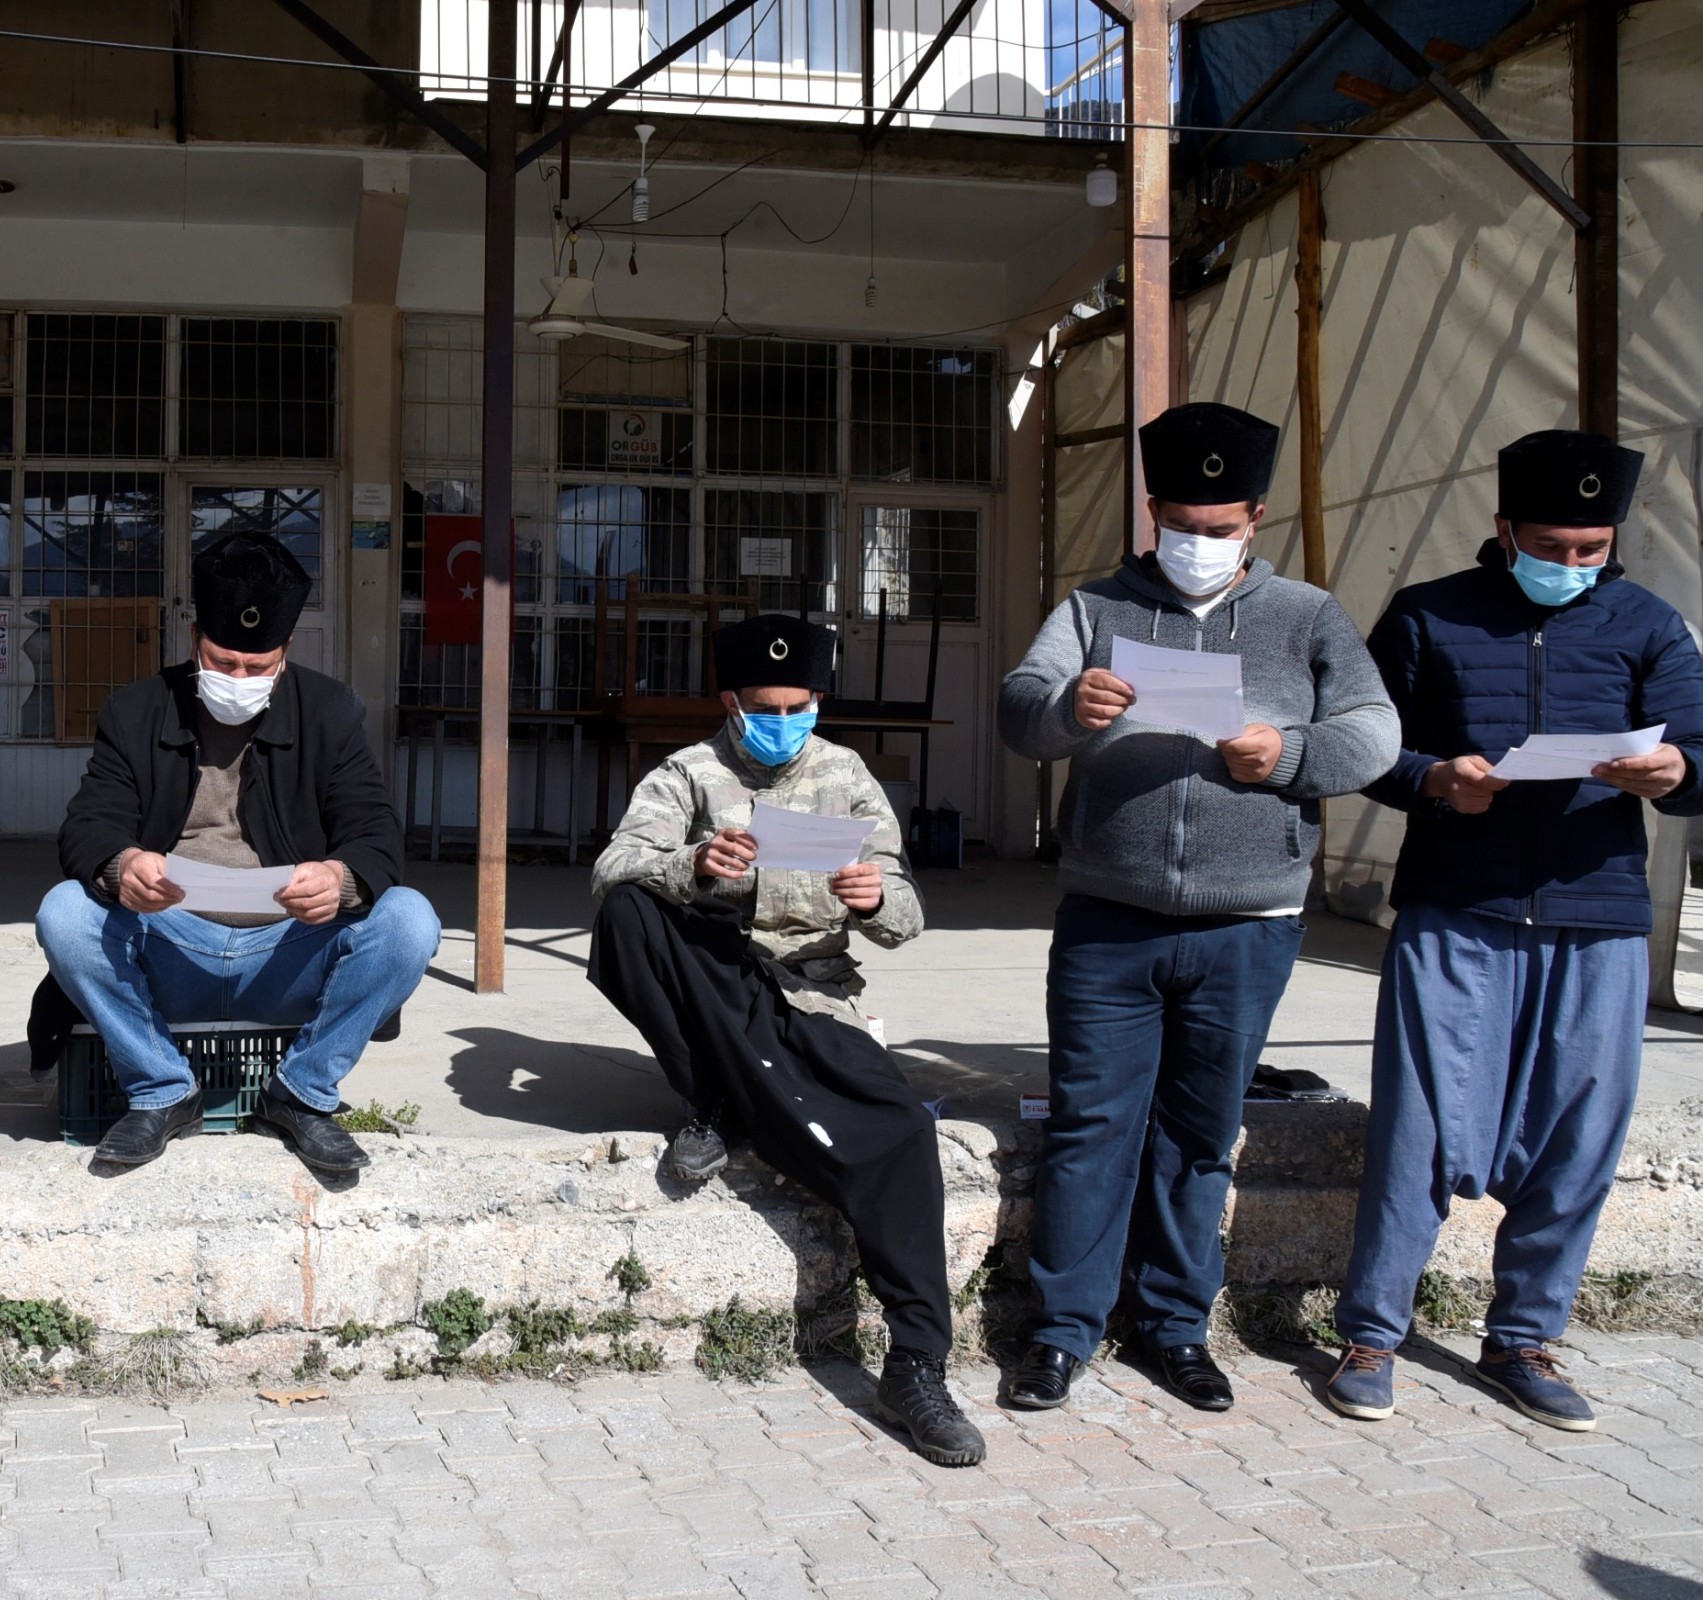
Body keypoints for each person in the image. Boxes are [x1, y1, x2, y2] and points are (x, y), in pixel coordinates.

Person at [997, 402, 1398, 1414]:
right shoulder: (1094, 607)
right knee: (1091, 1126)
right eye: (1179, 522)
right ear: (1150, 509)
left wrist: (1290, 753)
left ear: (1254, 517)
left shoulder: (1305, 616)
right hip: (1108, 915)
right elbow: (1019, 705)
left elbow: (1374, 731)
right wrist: (1063, 709)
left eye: (1217, 528)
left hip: (1245, 924)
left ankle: (1173, 1326)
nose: (1197, 544)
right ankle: (1059, 1331)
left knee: (1198, 1132)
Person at [1325, 431, 1703, 1431]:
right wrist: (1435, 780)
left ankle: (1522, 1337)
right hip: (1458, 903)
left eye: (1589, 548)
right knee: (1416, 1124)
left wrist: (1672, 774)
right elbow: (1363, 743)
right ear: (1503, 530)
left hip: (1598, 909)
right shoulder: (1427, 614)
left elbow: (1693, 747)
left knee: (1582, 1128)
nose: (1570, 564)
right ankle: (1370, 1332)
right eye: (1550, 544)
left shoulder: (1648, 623)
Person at [587, 613, 985, 1468]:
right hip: (717, 981)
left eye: (798, 704)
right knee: (627, 917)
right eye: (763, 705)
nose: (781, 720)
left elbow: (906, 917)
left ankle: (916, 1365)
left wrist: (875, 897)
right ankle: (717, 1096)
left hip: (813, 996)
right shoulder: (688, 773)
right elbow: (613, 869)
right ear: (730, 702)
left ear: (817, 701)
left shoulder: (846, 776)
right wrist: (692, 866)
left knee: (902, 1131)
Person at [37, 531, 440, 1175]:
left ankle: (303, 1095)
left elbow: (377, 830)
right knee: (64, 911)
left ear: (284, 654)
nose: (238, 680)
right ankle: (163, 1091)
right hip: (172, 949)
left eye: (257, 667)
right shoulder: (136, 710)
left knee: (411, 920)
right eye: (223, 664)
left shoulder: (331, 712)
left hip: (286, 952)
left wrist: (340, 878)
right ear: (196, 639)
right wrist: (123, 866)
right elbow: (88, 824)